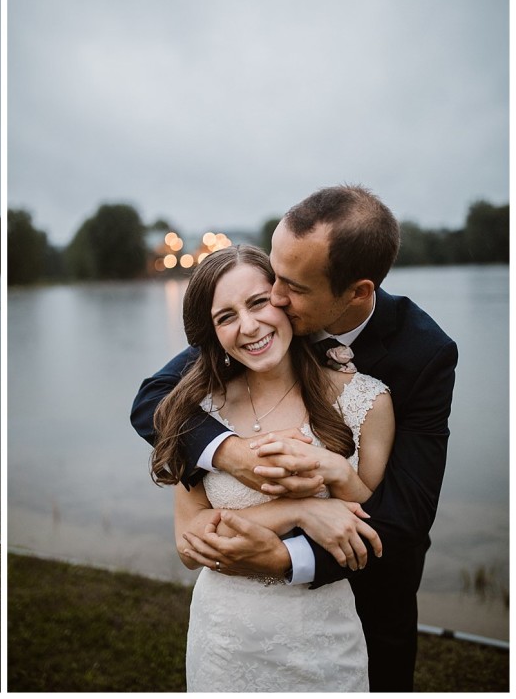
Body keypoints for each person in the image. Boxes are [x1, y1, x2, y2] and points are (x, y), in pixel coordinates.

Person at [131, 185, 458, 692]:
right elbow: (153, 399)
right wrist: (234, 455)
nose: (275, 299)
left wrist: (286, 558)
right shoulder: (261, 323)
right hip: (228, 633)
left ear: (357, 293)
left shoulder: (422, 355)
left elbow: (404, 519)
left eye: (291, 288)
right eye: (275, 278)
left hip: (364, 599)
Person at [150, 244, 394, 691]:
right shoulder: (197, 411)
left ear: (284, 300)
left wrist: (339, 474)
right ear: (213, 332)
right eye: (225, 317)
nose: (248, 327)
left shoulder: (365, 403)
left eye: (258, 302)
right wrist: (298, 511)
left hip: (324, 639)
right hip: (223, 640)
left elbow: (374, 535)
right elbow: (189, 548)